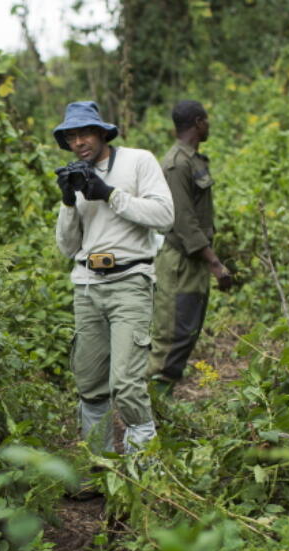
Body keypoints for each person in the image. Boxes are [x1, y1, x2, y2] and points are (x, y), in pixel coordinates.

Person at [53, 101, 174, 454]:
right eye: (71, 136)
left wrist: (108, 194)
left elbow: (165, 215)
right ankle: (99, 469)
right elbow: (68, 247)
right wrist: (68, 202)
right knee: (90, 385)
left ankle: (141, 476)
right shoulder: (76, 174)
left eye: (85, 133)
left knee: (126, 384)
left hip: (130, 281)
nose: (79, 142)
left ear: (103, 132)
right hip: (87, 286)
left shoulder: (138, 161)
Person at [149, 100, 232, 387]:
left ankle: (163, 400)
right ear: (198, 123)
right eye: (206, 121)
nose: (209, 125)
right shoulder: (176, 164)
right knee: (172, 333)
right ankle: (150, 404)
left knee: (188, 330)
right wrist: (216, 264)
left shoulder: (194, 160)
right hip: (179, 261)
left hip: (193, 260)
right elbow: (183, 221)